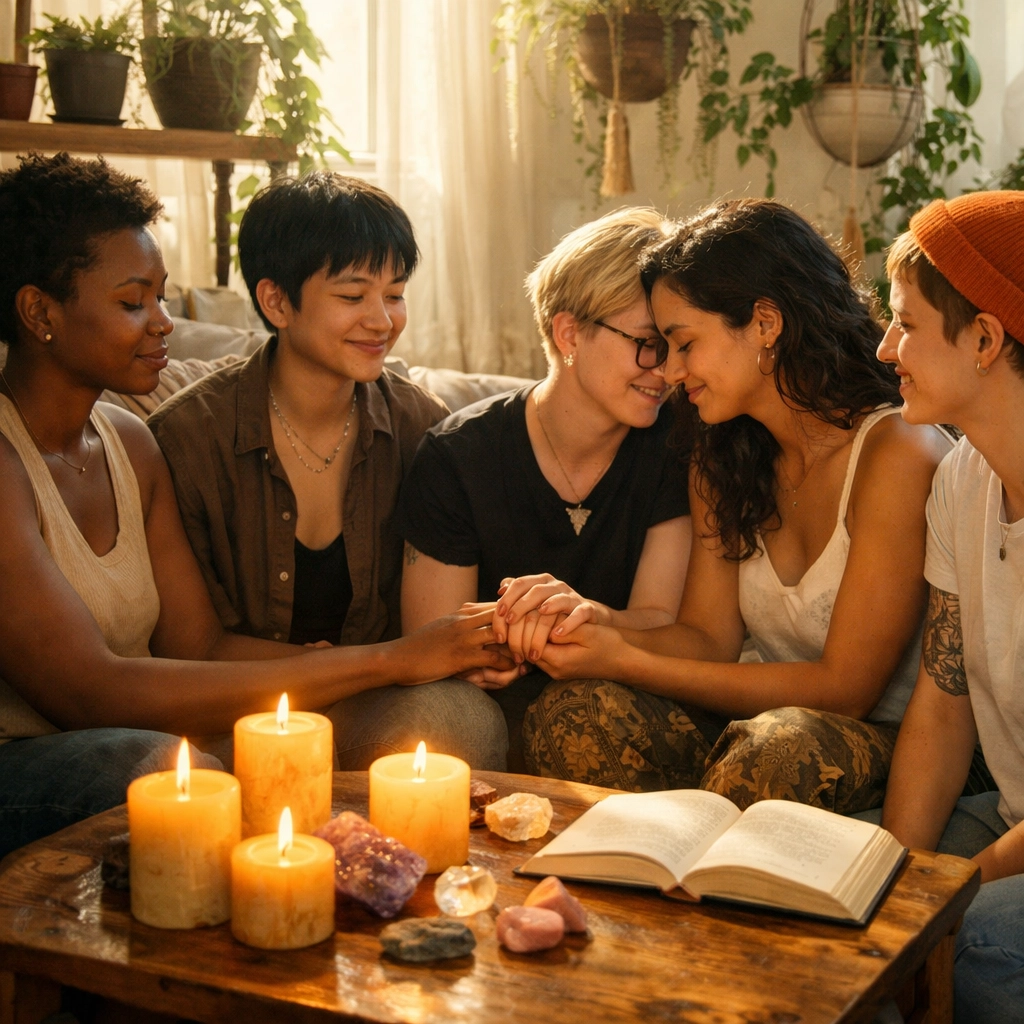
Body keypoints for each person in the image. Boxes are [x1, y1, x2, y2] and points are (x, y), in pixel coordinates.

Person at [0, 153, 507, 859]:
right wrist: (386, 659)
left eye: (163, 298)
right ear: (38, 312)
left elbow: (198, 647)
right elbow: (91, 694)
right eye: (132, 302)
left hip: (187, 725)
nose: (163, 324)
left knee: (451, 722)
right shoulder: (58, 453)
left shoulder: (127, 441)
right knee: (176, 778)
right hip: (43, 759)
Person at [525, 199, 953, 809]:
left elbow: (846, 690)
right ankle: (640, 888)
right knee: (576, 711)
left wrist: (628, 660)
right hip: (753, 729)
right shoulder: (721, 450)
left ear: (764, 323)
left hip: (881, 740)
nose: (671, 371)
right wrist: (595, 626)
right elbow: (707, 639)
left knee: (777, 748)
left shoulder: (896, 451)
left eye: (683, 343)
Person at [148, 171, 510, 770]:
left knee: (458, 719)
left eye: (394, 294)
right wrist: (320, 667)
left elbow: (448, 613)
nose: (382, 320)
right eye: (352, 296)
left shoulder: (423, 428)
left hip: (372, 706)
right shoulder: (186, 439)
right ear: (276, 301)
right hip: (234, 712)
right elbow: (186, 652)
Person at [394, 208, 693, 769]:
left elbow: (662, 621)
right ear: (569, 332)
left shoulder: (677, 444)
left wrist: (580, 616)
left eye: (677, 345)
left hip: (619, 708)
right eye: (648, 344)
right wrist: (499, 639)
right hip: (485, 715)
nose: (668, 370)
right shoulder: (459, 456)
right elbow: (432, 642)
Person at [874, 191, 1024, 1024]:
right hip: (1003, 820)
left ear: (986, 339)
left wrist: (937, 901)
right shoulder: (962, 480)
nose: (884, 346)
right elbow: (943, 699)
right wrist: (895, 870)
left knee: (963, 949)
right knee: (818, 895)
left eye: (905, 325)